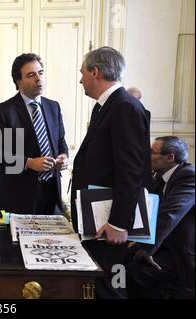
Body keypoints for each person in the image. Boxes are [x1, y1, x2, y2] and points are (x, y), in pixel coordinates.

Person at [71, 46, 152, 298]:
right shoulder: (105, 106)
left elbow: (130, 171)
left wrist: (118, 223)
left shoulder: (125, 107)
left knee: (111, 288)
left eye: (82, 72)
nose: (80, 78)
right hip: (97, 220)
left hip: (110, 223)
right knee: (99, 285)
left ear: (95, 72)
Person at [0, 53, 69, 215]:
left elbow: (60, 141)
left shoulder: (53, 107)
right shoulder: (3, 112)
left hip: (52, 195)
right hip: (17, 199)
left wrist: (64, 156)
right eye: (31, 75)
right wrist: (29, 163)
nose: (38, 78)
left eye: (41, 72)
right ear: (19, 82)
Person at [126, 136, 195, 299]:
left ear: (170, 157)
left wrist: (146, 249)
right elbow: (144, 205)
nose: (147, 155)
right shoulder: (159, 175)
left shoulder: (188, 177)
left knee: (135, 272)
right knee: (118, 258)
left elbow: (169, 215)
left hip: (180, 252)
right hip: (163, 243)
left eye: (151, 152)